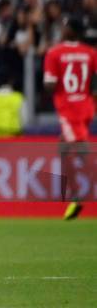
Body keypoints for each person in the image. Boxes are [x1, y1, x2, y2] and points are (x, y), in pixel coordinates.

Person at [43, 17, 96, 220]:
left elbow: (50, 85)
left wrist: (52, 80)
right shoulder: (90, 52)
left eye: (65, 25)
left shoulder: (55, 52)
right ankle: (75, 196)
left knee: (81, 151)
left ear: (70, 30)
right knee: (64, 149)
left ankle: (78, 197)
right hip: (87, 106)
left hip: (69, 108)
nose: (62, 28)